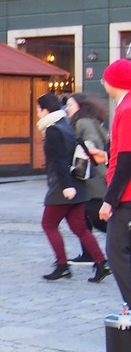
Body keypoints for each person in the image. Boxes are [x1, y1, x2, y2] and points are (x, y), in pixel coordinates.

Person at [36, 93, 110, 282]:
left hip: (64, 186)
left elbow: (59, 160)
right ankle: (101, 263)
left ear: (45, 110)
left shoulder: (53, 130)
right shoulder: (67, 126)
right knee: (80, 227)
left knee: (49, 224)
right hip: (78, 183)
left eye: (38, 110)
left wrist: (66, 187)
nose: (37, 114)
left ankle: (62, 266)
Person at [65, 93, 110, 266]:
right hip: (91, 179)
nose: (67, 108)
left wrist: (81, 158)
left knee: (98, 218)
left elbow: (92, 142)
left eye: (70, 104)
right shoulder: (85, 120)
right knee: (82, 218)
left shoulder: (83, 122)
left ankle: (121, 246)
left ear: (80, 107)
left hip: (93, 179)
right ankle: (88, 253)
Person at [100, 59, 131, 302]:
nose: (102, 82)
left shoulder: (127, 109)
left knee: (116, 251)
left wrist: (110, 200)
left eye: (105, 78)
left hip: (126, 196)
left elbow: (127, 161)